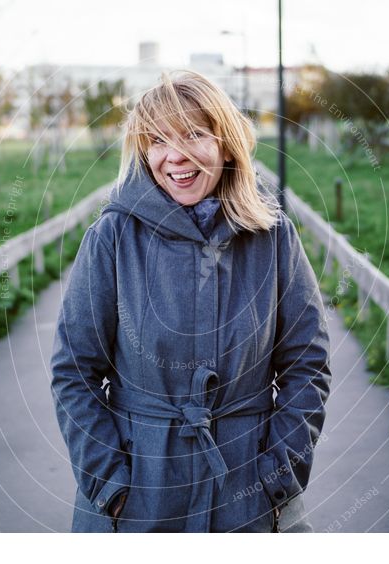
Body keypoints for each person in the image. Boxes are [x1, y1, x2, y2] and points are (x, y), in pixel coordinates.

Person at [50, 70, 331, 533]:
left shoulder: (273, 237)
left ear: (226, 142)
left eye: (195, 134)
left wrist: (278, 475)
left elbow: (308, 363)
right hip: (141, 491)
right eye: (158, 140)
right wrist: (112, 486)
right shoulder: (113, 237)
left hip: (250, 491)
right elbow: (73, 373)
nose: (175, 156)